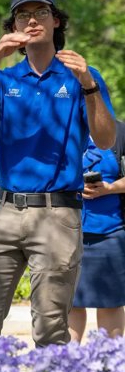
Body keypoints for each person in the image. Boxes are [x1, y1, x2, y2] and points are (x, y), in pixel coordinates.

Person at [0, 0, 115, 351]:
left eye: (41, 12)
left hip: (57, 211)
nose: (32, 20)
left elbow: (106, 140)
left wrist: (89, 85)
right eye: (22, 14)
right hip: (4, 209)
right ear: (12, 25)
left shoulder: (79, 76)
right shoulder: (5, 78)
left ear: (56, 21)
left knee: (50, 331)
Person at [68, 120, 125, 341]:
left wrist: (110, 188)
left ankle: (109, 364)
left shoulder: (120, 132)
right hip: (66, 231)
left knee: (110, 303)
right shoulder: (62, 128)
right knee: (69, 303)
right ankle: (68, 362)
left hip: (111, 232)